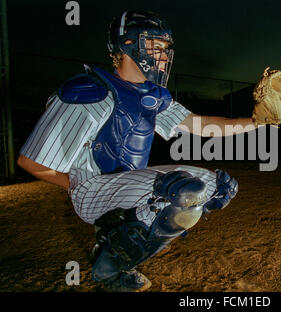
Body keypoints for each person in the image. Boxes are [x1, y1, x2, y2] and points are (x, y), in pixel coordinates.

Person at [17, 11, 257, 292]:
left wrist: (257, 121)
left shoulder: (151, 96)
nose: (165, 56)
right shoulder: (91, 91)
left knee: (218, 186)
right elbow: (31, 162)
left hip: (127, 185)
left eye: (167, 49)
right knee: (182, 190)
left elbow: (202, 126)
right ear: (128, 45)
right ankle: (111, 266)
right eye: (157, 47)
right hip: (92, 190)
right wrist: (74, 184)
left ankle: (130, 236)